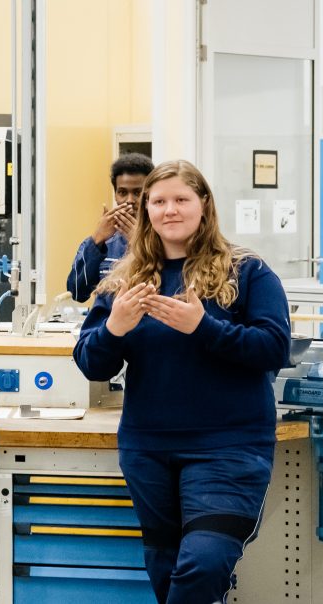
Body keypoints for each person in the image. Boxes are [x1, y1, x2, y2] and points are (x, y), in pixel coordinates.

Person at [72, 160, 290, 604]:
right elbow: (91, 363)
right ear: (146, 209)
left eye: (181, 200)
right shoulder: (126, 280)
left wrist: (204, 327)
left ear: (204, 205)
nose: (170, 210)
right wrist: (114, 327)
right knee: (165, 568)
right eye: (159, 201)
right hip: (149, 448)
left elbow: (274, 348)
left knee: (203, 563)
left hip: (229, 447)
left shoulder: (247, 271)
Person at [67, 153, 154, 302]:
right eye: (122, 192)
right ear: (115, 195)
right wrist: (96, 241)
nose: (129, 201)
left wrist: (140, 244)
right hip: (105, 323)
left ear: (150, 195)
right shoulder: (103, 241)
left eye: (137, 193)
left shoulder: (165, 239)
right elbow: (76, 292)